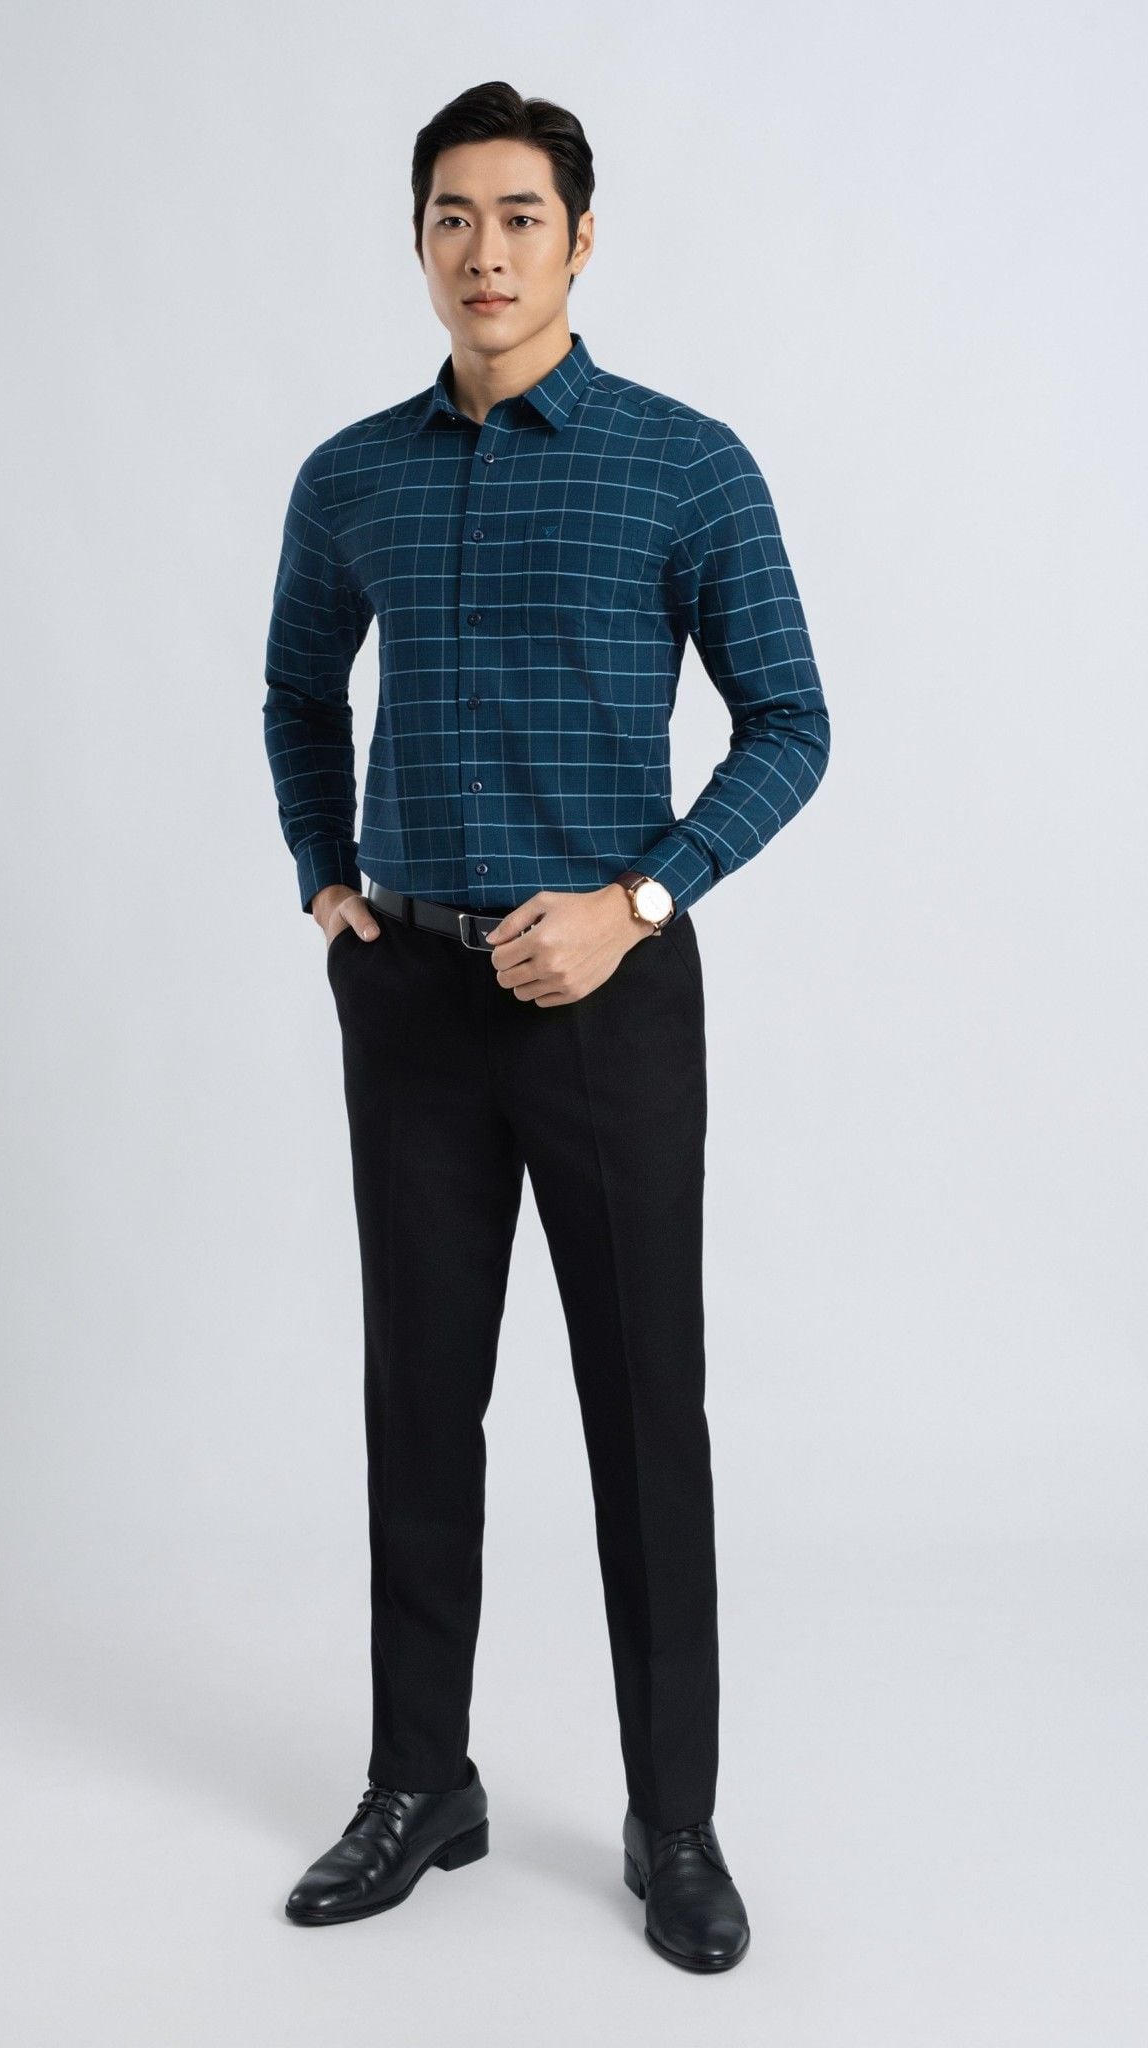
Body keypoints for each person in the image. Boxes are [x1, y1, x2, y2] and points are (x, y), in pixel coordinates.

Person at [261, 79, 830, 1973]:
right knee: (420, 1403)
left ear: (582, 240)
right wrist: (329, 886)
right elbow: (295, 692)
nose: (484, 251)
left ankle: (677, 1821)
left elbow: (792, 722)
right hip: (412, 997)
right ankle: (422, 1782)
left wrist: (638, 901)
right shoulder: (352, 476)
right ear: (418, 244)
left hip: (608, 999)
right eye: (452, 217)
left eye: (519, 217)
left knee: (643, 1411)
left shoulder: (684, 464)